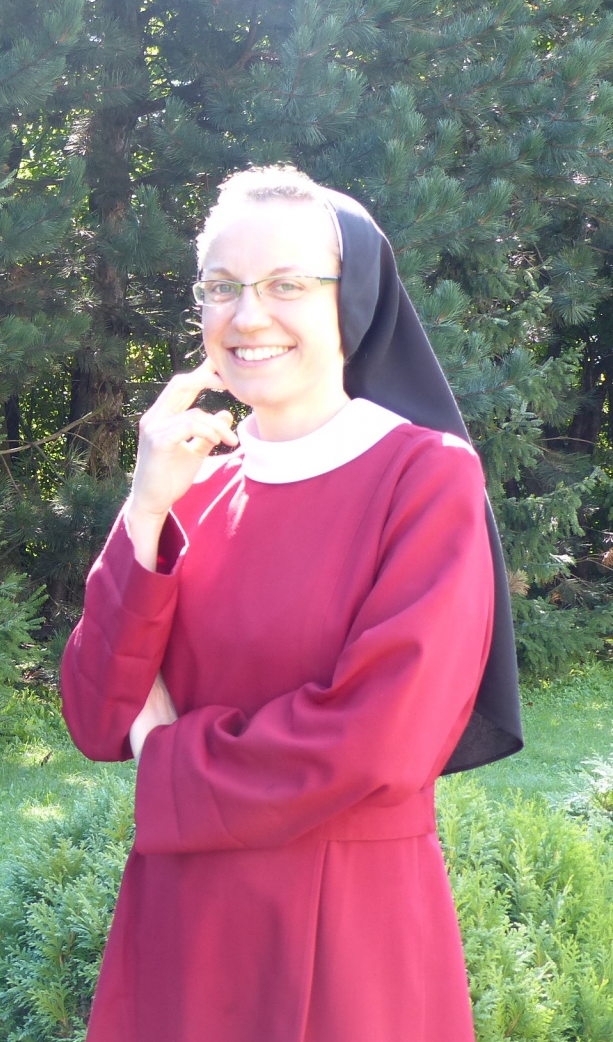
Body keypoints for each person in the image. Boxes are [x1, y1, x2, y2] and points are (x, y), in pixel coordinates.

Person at [60, 166, 523, 1042]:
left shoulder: (425, 479)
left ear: (350, 298)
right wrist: (145, 508)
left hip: (348, 933)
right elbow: (94, 715)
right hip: (183, 923)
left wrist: (166, 750)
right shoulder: (192, 487)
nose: (248, 316)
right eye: (222, 286)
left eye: (286, 285)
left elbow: (381, 736)